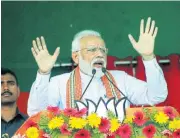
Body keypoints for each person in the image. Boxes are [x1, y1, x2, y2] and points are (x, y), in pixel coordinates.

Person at [28, 17, 168, 116]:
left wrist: (148, 57)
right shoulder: (59, 82)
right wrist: (44, 73)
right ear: (76, 57)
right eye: (92, 50)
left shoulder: (121, 79)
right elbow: (37, 113)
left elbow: (156, 96)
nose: (99, 54)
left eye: (102, 50)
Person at [1, 68, 28, 138]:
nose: (6, 88)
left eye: (11, 83)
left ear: (18, 90)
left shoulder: (30, 123)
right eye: (1, 84)